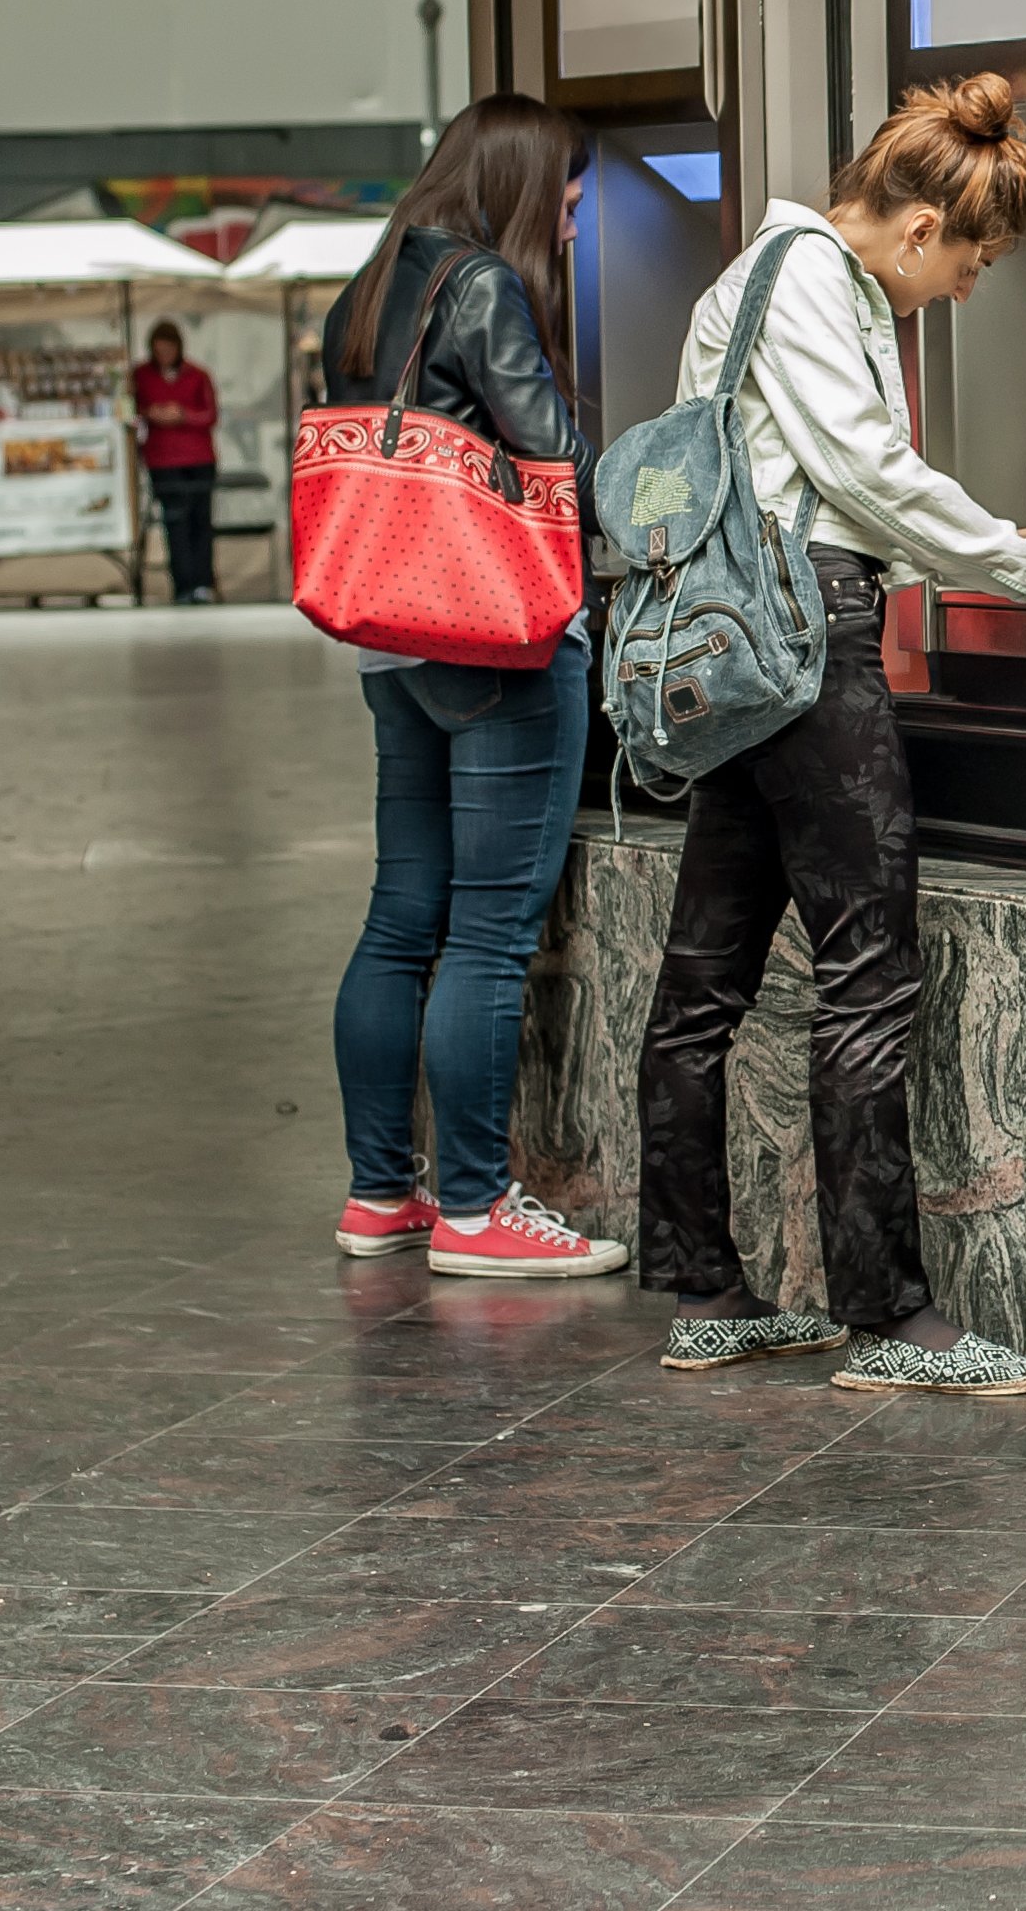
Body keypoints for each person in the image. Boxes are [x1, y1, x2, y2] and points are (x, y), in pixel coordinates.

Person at [633, 74, 1026, 1390]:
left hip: (743, 646)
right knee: (869, 971)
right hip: (804, 642)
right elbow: (864, 473)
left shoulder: (772, 276)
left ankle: (705, 1289)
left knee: (706, 976)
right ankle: (889, 1319)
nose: (966, 290)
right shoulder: (809, 276)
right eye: (970, 264)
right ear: (918, 229)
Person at [321, 95, 628, 1280]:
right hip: (490, 640)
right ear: (516, 179)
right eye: (567, 186)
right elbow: (550, 452)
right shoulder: (482, 286)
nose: (575, 209)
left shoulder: (374, 280)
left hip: (389, 636)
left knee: (402, 917)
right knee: (490, 938)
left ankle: (378, 1193)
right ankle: (473, 1207)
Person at [131, 320, 220, 604]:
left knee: (200, 521)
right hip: (162, 460)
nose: (164, 355)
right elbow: (132, 410)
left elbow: (211, 415)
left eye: (168, 350)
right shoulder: (141, 377)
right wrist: (151, 414)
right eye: (159, 351)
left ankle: (203, 583)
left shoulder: (197, 375)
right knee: (175, 522)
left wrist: (182, 415)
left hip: (198, 458)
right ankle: (183, 585)